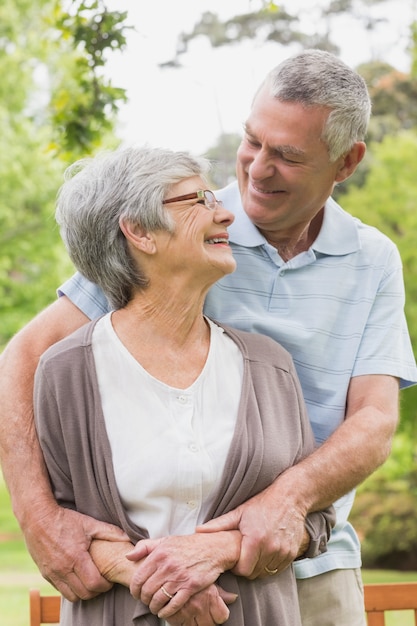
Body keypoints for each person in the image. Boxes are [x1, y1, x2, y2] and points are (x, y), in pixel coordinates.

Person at [0, 48, 416, 625]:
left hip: (310, 561)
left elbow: (373, 420)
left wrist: (285, 502)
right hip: (154, 571)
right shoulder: (179, 228)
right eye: (253, 141)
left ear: (346, 163)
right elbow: (24, 356)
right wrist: (38, 515)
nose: (256, 168)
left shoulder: (372, 259)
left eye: (288, 156)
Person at [31, 145, 335, 626]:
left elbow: (316, 522)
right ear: (139, 232)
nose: (226, 214)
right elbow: (62, 530)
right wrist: (157, 579)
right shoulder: (66, 372)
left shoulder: (270, 367)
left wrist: (219, 550)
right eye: (199, 200)